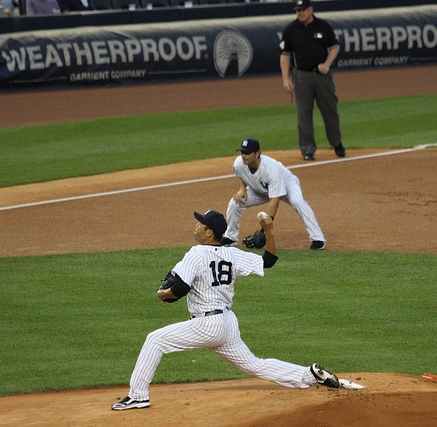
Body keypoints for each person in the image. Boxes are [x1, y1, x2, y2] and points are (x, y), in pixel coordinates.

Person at [111, 209, 341, 410]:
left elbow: (179, 289)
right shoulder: (232, 254)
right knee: (253, 365)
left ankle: (137, 397)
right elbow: (268, 260)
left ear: (209, 232)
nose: (196, 225)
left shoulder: (196, 253)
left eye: (200, 223)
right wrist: (269, 231)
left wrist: (163, 294)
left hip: (206, 325)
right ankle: (309, 375)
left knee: (154, 340)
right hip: (227, 324)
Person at [220, 138, 326, 251]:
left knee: (297, 202)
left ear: (257, 154)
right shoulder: (238, 164)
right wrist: (242, 190)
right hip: (260, 189)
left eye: (247, 153)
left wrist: (264, 230)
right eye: (242, 152)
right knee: (235, 203)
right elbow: (242, 175)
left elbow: (275, 200)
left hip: (286, 185)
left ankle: (318, 239)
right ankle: (230, 237)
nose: (243, 156)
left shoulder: (271, 170)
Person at [279, 0, 346, 161]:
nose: (300, 13)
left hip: (323, 76)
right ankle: (308, 150)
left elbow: (334, 47)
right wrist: (285, 78)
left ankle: (336, 143)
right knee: (304, 114)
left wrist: (327, 64)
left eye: (302, 10)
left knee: (330, 110)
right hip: (302, 76)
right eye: (297, 11)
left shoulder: (323, 26)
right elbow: (285, 54)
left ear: (310, 9)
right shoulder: (291, 29)